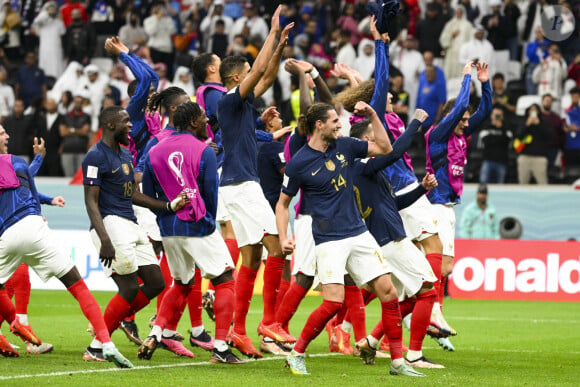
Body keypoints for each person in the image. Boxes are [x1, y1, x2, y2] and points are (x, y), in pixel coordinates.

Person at [278, 102, 422, 377]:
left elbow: (385, 148)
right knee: (333, 302)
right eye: (334, 120)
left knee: (389, 292)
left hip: (359, 233)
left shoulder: (345, 146)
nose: (339, 124)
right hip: (329, 240)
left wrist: (373, 115)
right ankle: (296, 354)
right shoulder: (298, 163)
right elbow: (283, 204)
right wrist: (285, 237)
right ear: (319, 124)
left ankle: (397, 361)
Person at [0, 125, 132, 367]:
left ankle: (16, 323)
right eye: (1, 133)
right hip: (33, 226)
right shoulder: (15, 161)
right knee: (78, 286)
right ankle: (106, 343)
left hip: (6, 235)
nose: (7, 135)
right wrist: (40, 160)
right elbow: (29, 189)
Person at [139, 101, 244, 364]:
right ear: (194, 122)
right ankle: (221, 348)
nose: (208, 123)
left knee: (182, 283)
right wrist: (206, 220)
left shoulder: (155, 150)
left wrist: (166, 214)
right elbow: (210, 193)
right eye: (204, 119)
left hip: (168, 228)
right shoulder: (204, 151)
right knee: (225, 279)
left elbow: (149, 194)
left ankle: (156, 332)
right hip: (197, 225)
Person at [216, 6, 293, 358]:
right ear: (235, 79)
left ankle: (238, 331)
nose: (252, 76)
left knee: (252, 255)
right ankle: (269, 323)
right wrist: (272, 33)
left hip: (238, 185)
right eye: (245, 73)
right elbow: (258, 70)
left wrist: (278, 50)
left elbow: (267, 75)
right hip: (242, 185)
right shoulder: (229, 100)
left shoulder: (243, 105)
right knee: (276, 248)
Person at [81, 106, 186, 361]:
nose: (130, 126)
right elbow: (91, 202)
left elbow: (133, 194)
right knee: (128, 288)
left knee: (156, 283)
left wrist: (167, 206)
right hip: (110, 224)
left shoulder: (126, 154)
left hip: (131, 222)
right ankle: (97, 346)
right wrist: (104, 238)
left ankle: (106, 327)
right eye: (126, 121)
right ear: (110, 125)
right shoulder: (95, 157)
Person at [348, 109, 443, 369]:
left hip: (386, 236)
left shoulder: (368, 172)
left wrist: (422, 189)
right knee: (427, 290)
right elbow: (393, 151)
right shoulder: (361, 166)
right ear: (366, 140)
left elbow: (394, 203)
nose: (381, 139)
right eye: (375, 136)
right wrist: (415, 124)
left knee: (411, 297)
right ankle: (414, 354)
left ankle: (371, 339)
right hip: (389, 238)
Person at [425, 60, 492, 350]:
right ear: (452, 117)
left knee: (444, 268)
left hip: (448, 206)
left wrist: (484, 82)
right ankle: (433, 315)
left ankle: (432, 316)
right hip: (435, 205)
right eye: (462, 119)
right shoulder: (438, 135)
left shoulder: (461, 136)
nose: (467, 123)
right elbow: (463, 104)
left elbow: (484, 112)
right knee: (440, 267)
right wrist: (466, 78)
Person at [514, 104, 551, 184]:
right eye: (531, 110)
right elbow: (517, 136)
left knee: (542, 183)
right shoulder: (523, 122)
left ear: (539, 112)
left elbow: (549, 136)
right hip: (524, 157)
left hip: (540, 158)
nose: (533, 112)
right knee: (522, 183)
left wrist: (538, 124)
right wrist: (527, 125)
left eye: (535, 110)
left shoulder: (545, 123)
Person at [478, 106, 513, 184]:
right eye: (496, 115)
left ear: (502, 116)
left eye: (499, 115)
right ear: (491, 116)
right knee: (483, 184)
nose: (497, 117)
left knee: (500, 186)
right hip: (487, 160)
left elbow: (507, 142)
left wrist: (500, 128)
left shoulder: (507, 128)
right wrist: (498, 138)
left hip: (502, 161)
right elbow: (486, 142)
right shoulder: (485, 127)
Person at [31, 1, 65, 78]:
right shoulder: (42, 22)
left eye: (53, 9)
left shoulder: (58, 22)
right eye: (50, 9)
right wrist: (46, 13)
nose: (52, 10)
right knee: (45, 66)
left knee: (57, 66)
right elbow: (37, 21)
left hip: (56, 48)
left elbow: (62, 32)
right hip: (45, 48)